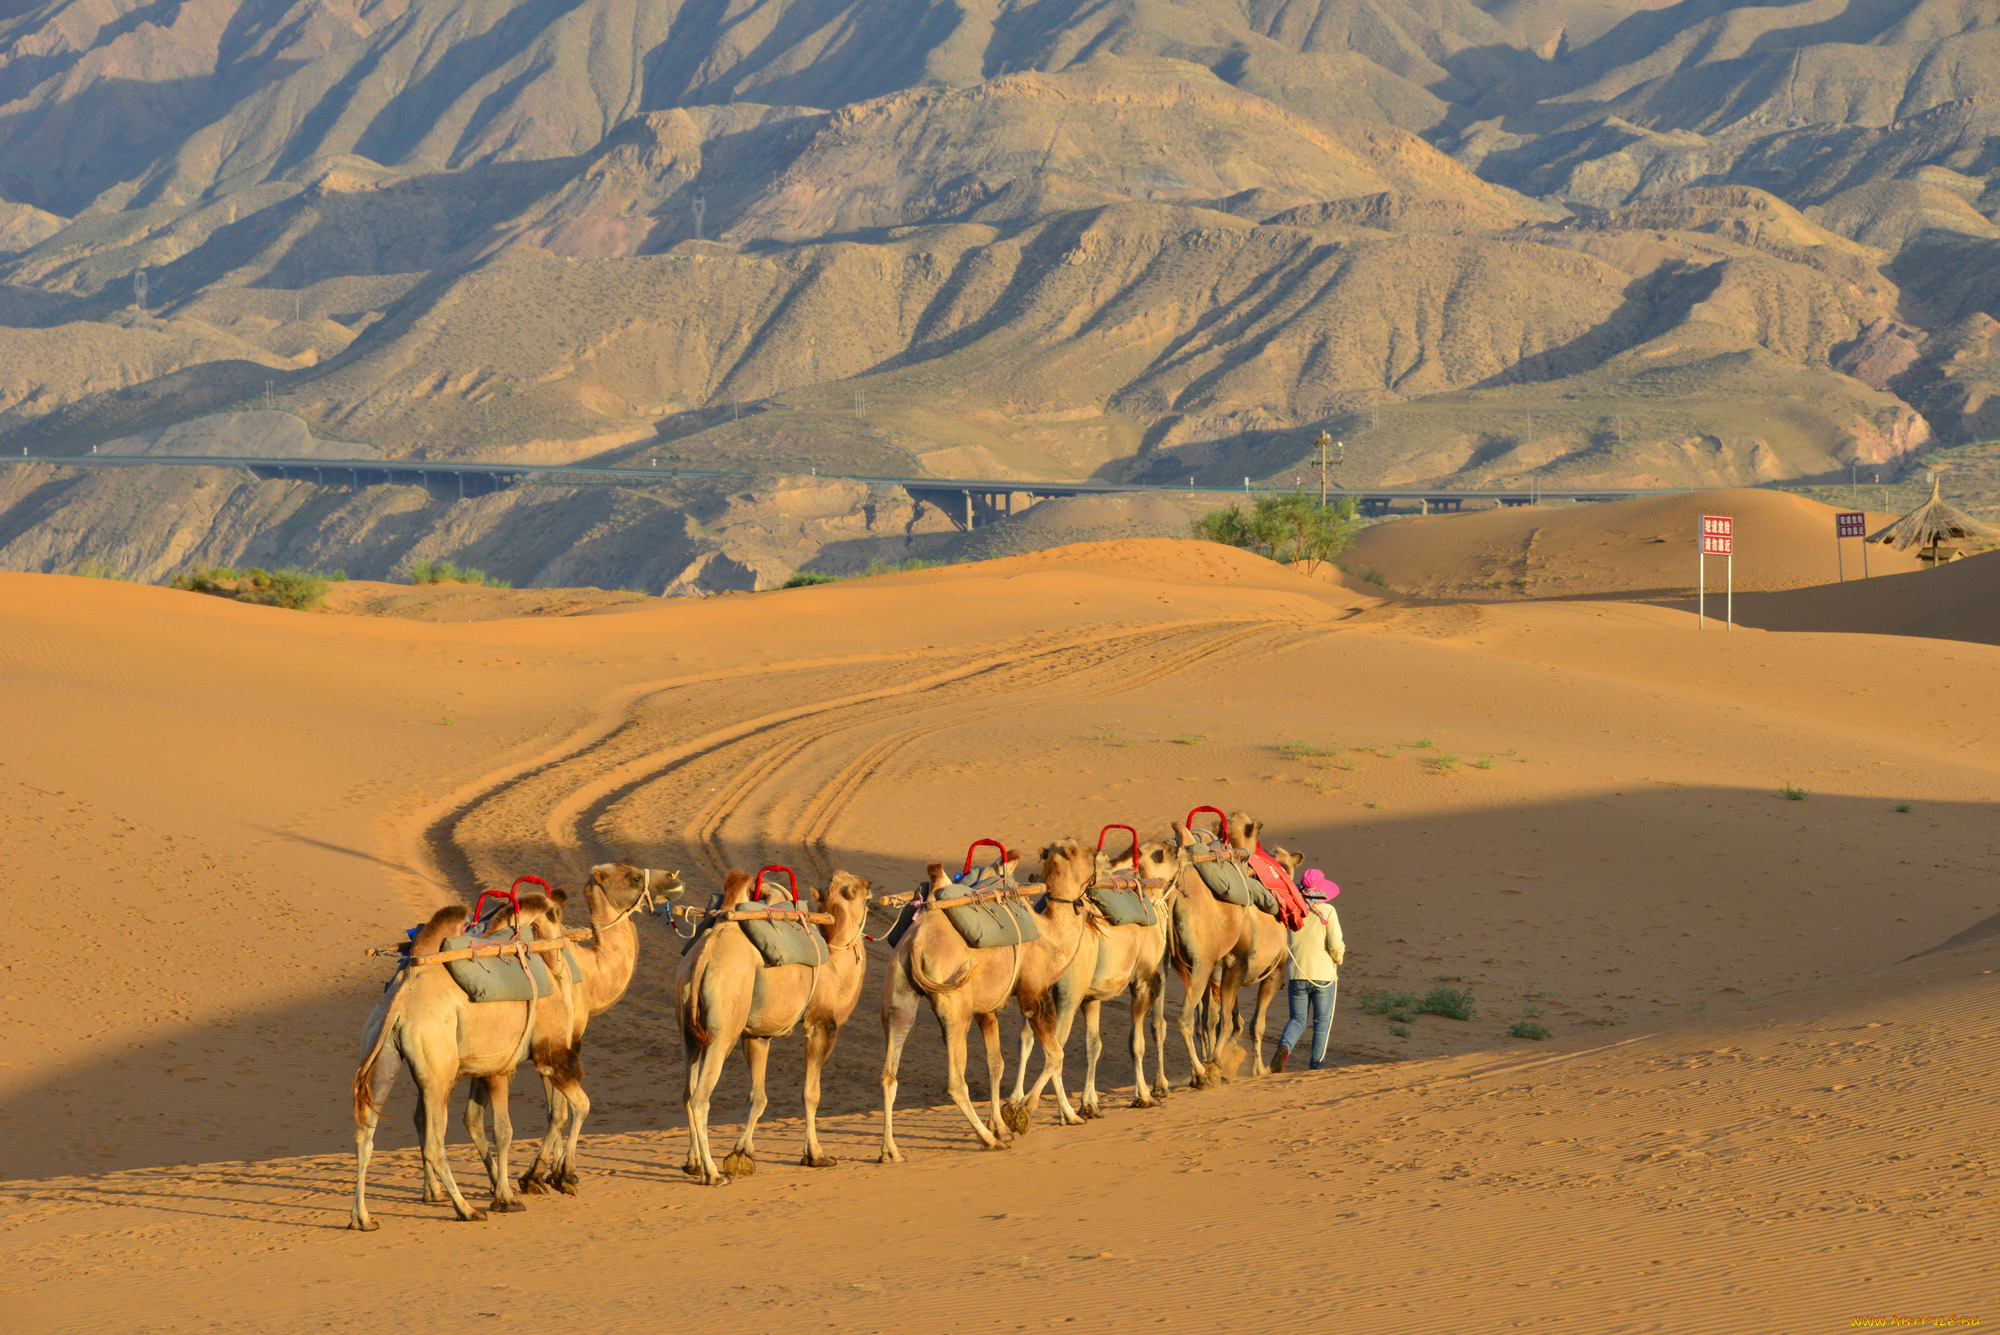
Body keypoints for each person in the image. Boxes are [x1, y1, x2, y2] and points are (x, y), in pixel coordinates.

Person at [1273, 869, 1344, 1072]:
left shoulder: (1291, 911)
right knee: (1321, 1022)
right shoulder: (1327, 911)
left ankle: (1285, 1046)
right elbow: (1336, 945)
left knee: (1297, 1019)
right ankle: (1316, 1065)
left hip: (1296, 974)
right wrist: (1338, 959)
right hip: (1323, 977)